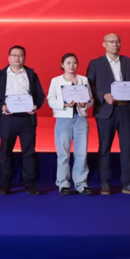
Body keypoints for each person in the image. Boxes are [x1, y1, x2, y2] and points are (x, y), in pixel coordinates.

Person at [87, 33, 130, 195]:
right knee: (104, 148)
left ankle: (128, 183)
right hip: (106, 110)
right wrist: (103, 96)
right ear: (104, 44)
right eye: (111, 42)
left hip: (126, 109)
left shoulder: (129, 62)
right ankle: (105, 182)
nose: (115, 44)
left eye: (118, 41)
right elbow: (90, 86)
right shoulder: (95, 63)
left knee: (127, 148)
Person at [0, 45, 46, 195]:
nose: (17, 58)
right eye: (14, 55)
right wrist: (1, 106)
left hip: (27, 119)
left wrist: (36, 106)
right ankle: (5, 185)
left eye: (20, 55)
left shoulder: (31, 74)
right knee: (5, 152)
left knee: (29, 153)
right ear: (8, 58)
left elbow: (40, 95)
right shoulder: (0, 75)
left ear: (24, 58)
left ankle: (30, 184)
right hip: (7, 118)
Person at [46, 53, 92, 196]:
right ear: (62, 65)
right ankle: (63, 184)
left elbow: (90, 99)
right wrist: (63, 104)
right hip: (63, 118)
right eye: (68, 63)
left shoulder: (83, 79)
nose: (72, 65)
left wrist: (85, 104)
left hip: (81, 118)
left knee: (81, 152)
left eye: (74, 63)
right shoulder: (56, 81)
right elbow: (50, 100)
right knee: (63, 153)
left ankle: (81, 184)